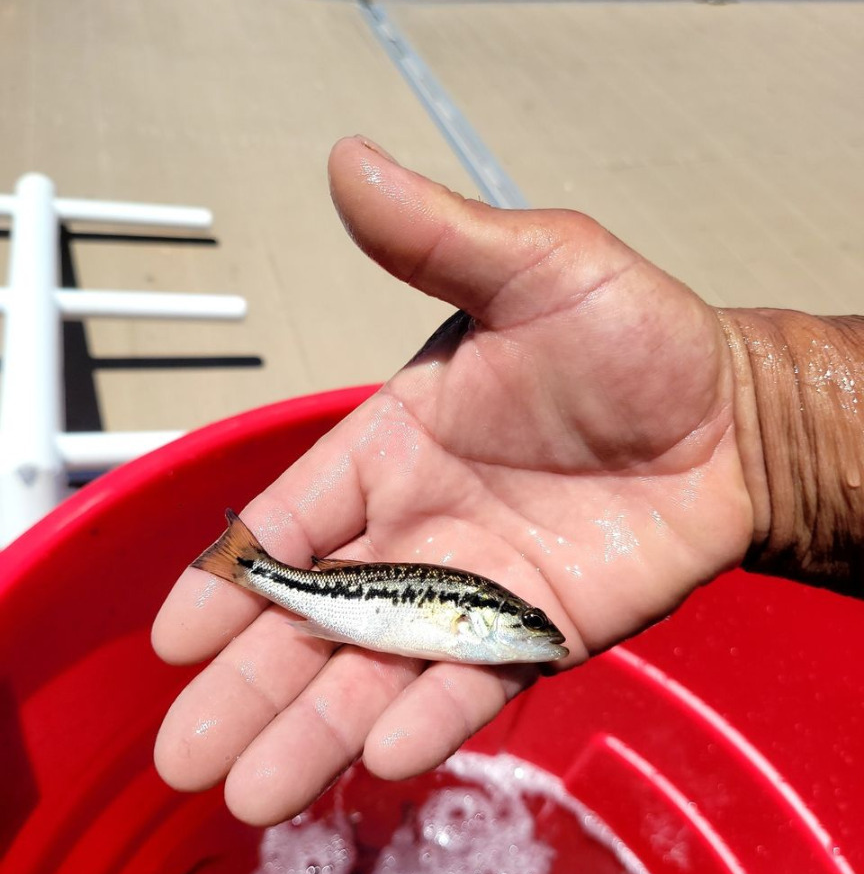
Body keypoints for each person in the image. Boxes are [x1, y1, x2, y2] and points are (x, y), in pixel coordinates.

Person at [151, 135, 864, 827]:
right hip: (329, 593)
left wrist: (755, 418)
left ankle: (251, 567)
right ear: (482, 624)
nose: (536, 635)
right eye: (524, 625)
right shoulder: (472, 618)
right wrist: (761, 420)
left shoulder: (481, 619)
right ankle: (250, 568)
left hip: (332, 593)